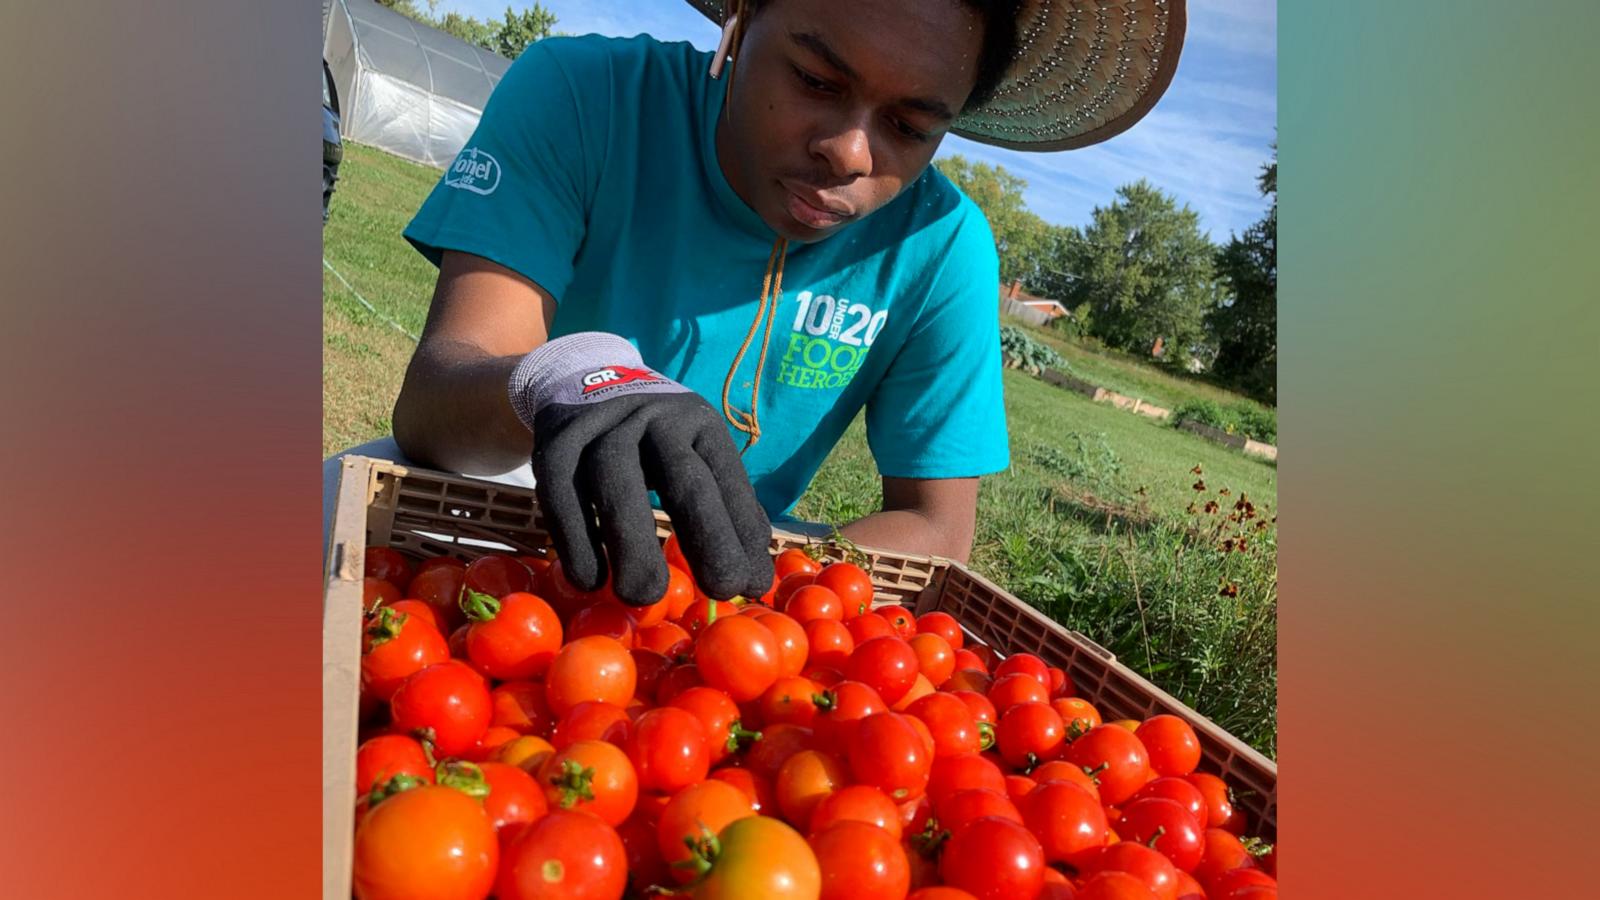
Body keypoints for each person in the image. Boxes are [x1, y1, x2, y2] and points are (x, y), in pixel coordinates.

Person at [324, 0, 1186, 605]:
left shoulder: (941, 247)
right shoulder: (585, 97)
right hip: (518, 497)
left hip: (740, 560)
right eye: (815, 79)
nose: (850, 151)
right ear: (742, 15)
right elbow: (438, 402)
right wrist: (570, 380)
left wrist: (762, 592)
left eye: (911, 128)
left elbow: (934, 529)